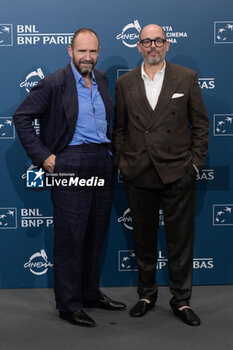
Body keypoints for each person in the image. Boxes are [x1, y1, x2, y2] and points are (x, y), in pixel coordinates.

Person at [13, 28, 126, 327]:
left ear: (98, 52)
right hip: (70, 163)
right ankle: (68, 304)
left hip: (101, 162)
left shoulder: (101, 78)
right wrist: (44, 156)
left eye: (92, 52)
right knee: (71, 238)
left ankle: (90, 293)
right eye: (81, 51)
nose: (87, 57)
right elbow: (22, 117)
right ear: (70, 51)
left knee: (95, 234)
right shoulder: (54, 82)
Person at [113, 24, 209, 326]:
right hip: (138, 172)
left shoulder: (186, 77)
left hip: (177, 171)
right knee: (143, 239)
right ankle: (146, 294)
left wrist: (194, 164)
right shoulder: (125, 83)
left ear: (167, 45)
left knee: (180, 241)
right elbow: (120, 128)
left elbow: (201, 126)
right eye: (146, 41)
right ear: (138, 47)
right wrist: (122, 162)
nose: (152, 46)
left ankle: (181, 300)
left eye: (158, 41)